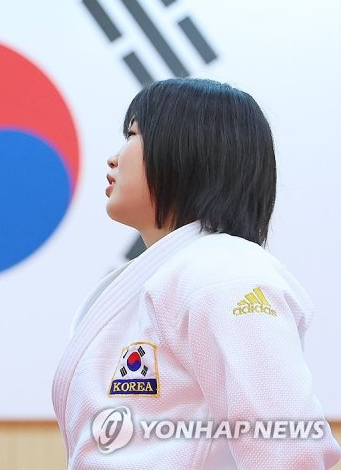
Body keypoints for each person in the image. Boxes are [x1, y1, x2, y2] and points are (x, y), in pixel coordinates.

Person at [52, 78, 340, 468]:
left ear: (189, 151)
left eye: (133, 134)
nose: (114, 158)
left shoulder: (227, 273)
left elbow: (286, 450)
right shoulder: (177, 272)